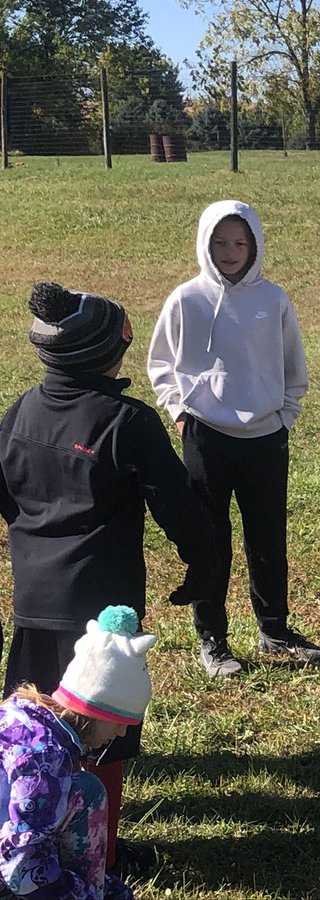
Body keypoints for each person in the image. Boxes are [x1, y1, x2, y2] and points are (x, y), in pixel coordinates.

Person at [0, 281, 221, 876]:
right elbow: (176, 506)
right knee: (100, 735)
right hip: (101, 617)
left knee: (31, 734)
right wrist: (203, 566)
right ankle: (99, 852)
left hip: (32, 605)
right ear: (110, 352)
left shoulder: (18, 412)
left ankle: (21, 836)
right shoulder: (127, 420)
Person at [148, 199, 320, 678]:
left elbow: (294, 366)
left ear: (255, 245)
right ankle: (213, 639)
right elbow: (161, 363)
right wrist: (181, 414)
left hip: (266, 436)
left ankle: (274, 632)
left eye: (240, 242)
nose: (230, 252)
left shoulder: (274, 300)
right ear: (206, 244)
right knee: (211, 540)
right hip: (206, 436)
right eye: (220, 242)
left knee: (267, 538)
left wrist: (286, 413)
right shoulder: (186, 299)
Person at [0, 605, 157, 899]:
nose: (122, 733)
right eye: (122, 722)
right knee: (90, 791)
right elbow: (23, 868)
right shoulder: (45, 761)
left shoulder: (21, 716)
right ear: (97, 710)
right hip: (12, 869)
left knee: (81, 789)